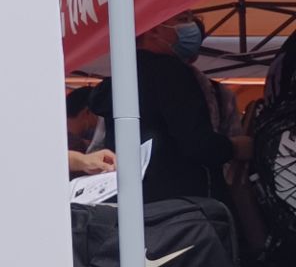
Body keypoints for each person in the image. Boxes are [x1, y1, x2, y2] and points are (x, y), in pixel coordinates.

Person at [88, 13, 252, 204]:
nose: (190, 27)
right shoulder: (170, 73)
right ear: (154, 29)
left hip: (132, 200)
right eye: (182, 19)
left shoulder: (121, 77)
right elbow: (196, 142)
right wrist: (233, 147)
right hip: (181, 204)